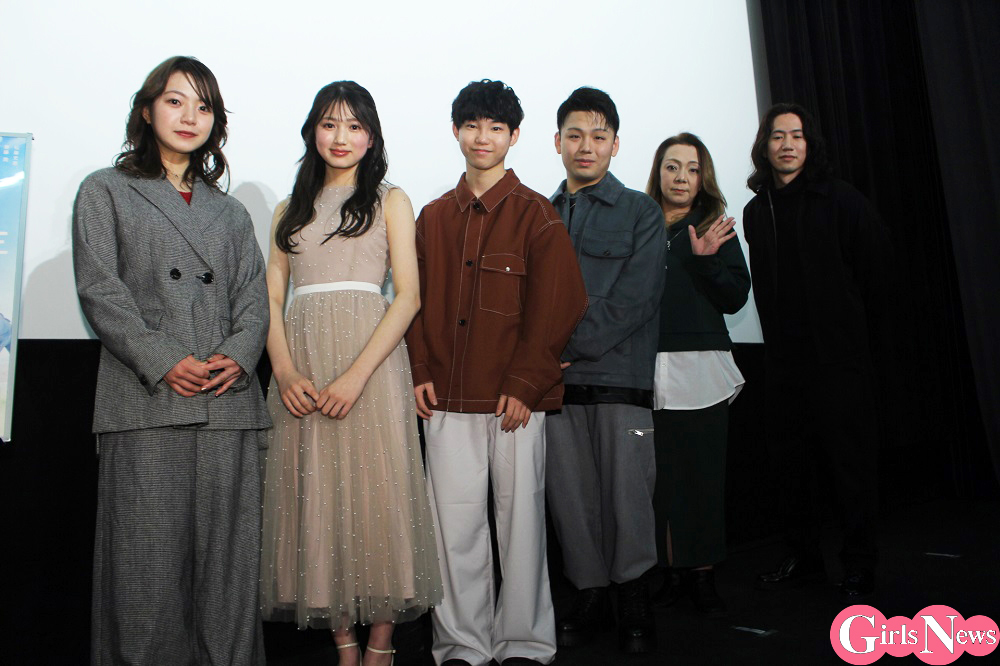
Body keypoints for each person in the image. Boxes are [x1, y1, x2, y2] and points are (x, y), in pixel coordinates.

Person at [72, 56, 270, 665]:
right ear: (147, 109)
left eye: (203, 106)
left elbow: (254, 298)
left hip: (227, 405)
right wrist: (163, 359)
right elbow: (101, 290)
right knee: (144, 577)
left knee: (228, 579)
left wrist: (238, 354)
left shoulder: (230, 212)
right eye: (176, 101)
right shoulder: (105, 190)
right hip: (147, 402)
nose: (190, 117)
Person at [404, 79, 587, 666]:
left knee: (522, 525)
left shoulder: (538, 216)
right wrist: (419, 369)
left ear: (514, 136)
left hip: (515, 401)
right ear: (455, 131)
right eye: (472, 125)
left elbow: (560, 306)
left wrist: (525, 384)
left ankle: (525, 643)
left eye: (496, 127)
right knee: (452, 528)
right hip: (446, 397)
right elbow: (410, 301)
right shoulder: (431, 218)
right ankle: (462, 643)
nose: (483, 137)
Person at [258, 81, 441, 666]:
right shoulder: (288, 209)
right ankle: (343, 644)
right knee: (316, 494)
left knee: (380, 496)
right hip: (303, 366)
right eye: (330, 123)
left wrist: (357, 376)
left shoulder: (391, 200)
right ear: (313, 130)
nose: (341, 137)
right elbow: (271, 297)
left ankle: (381, 647)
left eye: (355, 126)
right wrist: (285, 370)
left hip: (373, 365)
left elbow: (408, 296)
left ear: (372, 137)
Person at [743, 103, 888, 597]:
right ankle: (804, 560)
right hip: (784, 364)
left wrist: (850, 334)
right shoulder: (756, 210)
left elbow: (876, 273)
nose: (787, 144)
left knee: (850, 468)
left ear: (811, 144)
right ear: (764, 146)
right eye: (778, 135)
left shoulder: (842, 200)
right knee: (791, 468)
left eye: (797, 135)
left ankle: (859, 563)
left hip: (839, 361)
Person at [545, 87, 667, 654]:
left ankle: (634, 596)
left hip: (620, 378)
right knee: (571, 499)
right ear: (557, 143)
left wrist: (565, 344)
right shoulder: (540, 214)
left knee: (628, 496)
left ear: (615, 144)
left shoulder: (642, 211)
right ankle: (590, 593)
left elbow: (636, 298)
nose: (586, 146)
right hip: (556, 385)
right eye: (574, 135)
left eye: (598, 136)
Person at [644, 133, 750, 616]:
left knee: (704, 478)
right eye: (672, 167)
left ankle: (703, 574)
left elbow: (735, 298)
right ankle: (670, 572)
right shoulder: (641, 225)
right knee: (661, 481)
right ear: (659, 173)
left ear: (702, 175)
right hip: (648, 368)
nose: (681, 177)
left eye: (691, 168)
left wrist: (707, 262)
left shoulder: (716, 226)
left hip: (703, 366)